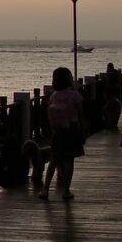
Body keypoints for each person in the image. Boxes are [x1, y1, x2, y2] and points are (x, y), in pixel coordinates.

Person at [40, 67, 85, 201]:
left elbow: (49, 114)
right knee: (69, 161)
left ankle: (45, 190)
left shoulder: (53, 96)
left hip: (57, 132)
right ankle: (66, 190)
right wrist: (83, 128)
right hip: (71, 131)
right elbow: (81, 113)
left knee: (53, 160)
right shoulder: (74, 95)